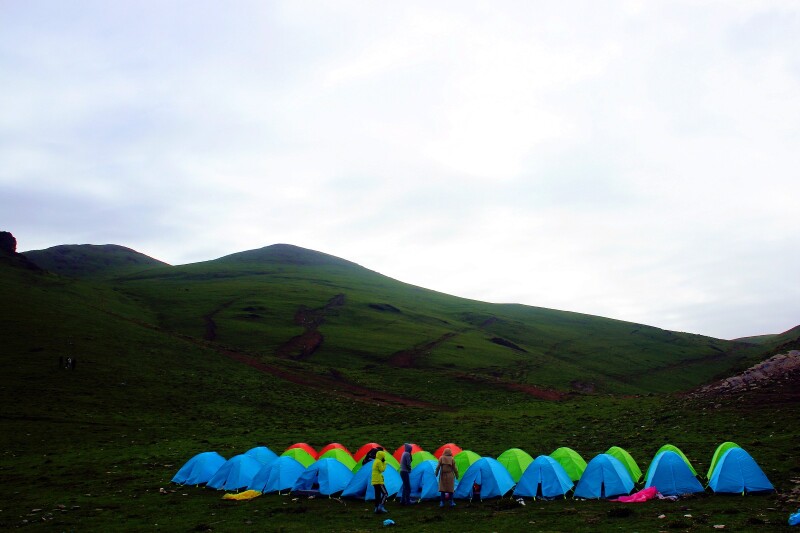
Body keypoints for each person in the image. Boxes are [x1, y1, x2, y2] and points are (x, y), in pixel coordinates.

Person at [371, 449, 389, 514]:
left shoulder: (375, 461)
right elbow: (382, 470)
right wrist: (384, 463)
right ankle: (381, 507)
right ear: (381, 456)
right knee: (385, 494)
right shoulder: (379, 462)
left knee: (377, 495)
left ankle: (376, 508)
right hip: (378, 481)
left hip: (374, 480)